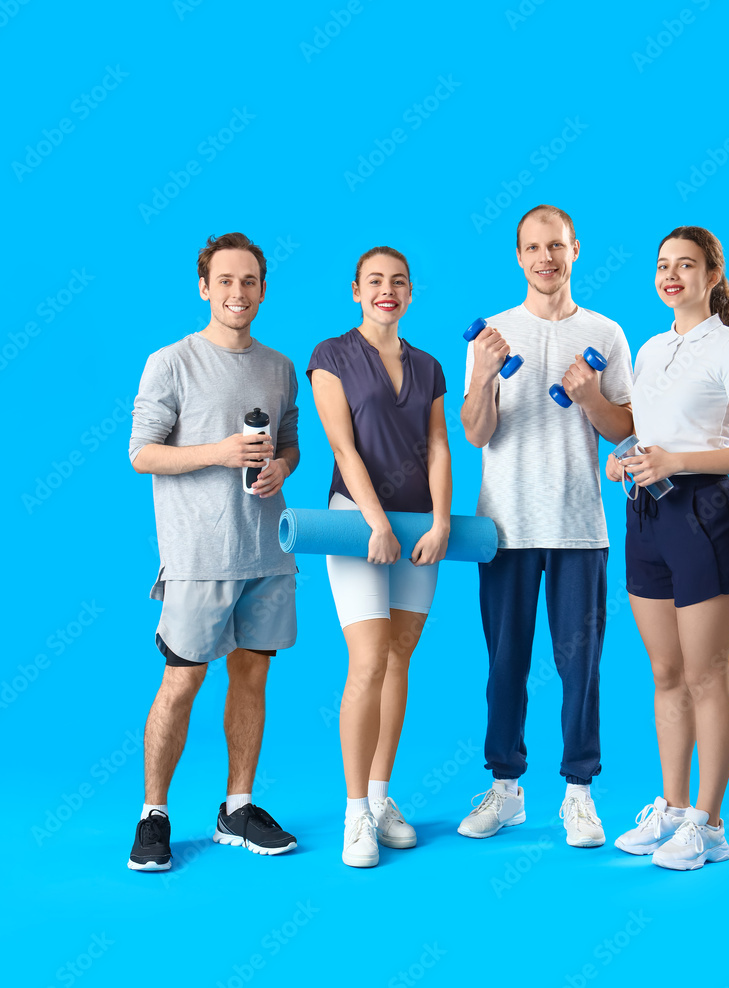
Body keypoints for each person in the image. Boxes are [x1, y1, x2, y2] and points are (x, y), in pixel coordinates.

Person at [459, 205, 633, 848]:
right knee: (505, 663)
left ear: (575, 249)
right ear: (518, 255)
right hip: (503, 527)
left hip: (578, 525)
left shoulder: (607, 333)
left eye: (555, 246)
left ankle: (579, 796)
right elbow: (476, 432)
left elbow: (624, 428)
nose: (545, 258)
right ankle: (506, 790)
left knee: (579, 664)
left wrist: (589, 397)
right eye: (533, 247)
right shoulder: (492, 334)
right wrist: (481, 376)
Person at [126, 232, 300, 871]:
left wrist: (281, 465)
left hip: (267, 552)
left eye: (249, 281)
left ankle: (237, 807)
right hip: (199, 554)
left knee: (252, 675)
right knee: (183, 679)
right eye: (225, 280)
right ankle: (154, 814)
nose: (237, 292)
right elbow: (142, 452)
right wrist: (220, 452)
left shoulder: (280, 367)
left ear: (262, 289)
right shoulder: (169, 362)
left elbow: (289, 443)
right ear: (205, 287)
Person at [607, 226, 729, 870]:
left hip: (702, 514)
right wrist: (625, 459)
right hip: (645, 516)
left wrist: (677, 458)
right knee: (665, 673)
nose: (671, 274)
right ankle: (674, 810)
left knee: (707, 674)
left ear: (712, 276)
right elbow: (641, 431)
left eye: (686, 265)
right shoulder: (651, 349)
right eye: (662, 265)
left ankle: (710, 824)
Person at [307, 246, 451, 868]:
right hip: (356, 523)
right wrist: (374, 523)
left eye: (397, 282)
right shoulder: (331, 356)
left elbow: (439, 445)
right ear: (356, 291)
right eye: (374, 282)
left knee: (399, 659)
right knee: (367, 661)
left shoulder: (430, 366)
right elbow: (342, 445)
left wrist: (442, 522)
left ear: (410, 293)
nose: (385, 290)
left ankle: (382, 794)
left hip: (420, 527)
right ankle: (355, 815)